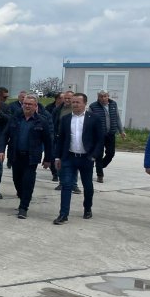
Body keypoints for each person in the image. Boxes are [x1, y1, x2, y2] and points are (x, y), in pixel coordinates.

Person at [0, 94, 53, 219]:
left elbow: (48, 142)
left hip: (31, 158)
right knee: (17, 181)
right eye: (25, 104)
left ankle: (23, 207)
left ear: (35, 106)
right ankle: (23, 197)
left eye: (30, 104)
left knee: (28, 182)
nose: (27, 106)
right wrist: (1, 150)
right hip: (16, 156)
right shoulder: (15, 118)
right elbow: (5, 135)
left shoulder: (42, 121)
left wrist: (48, 159)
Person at [53, 93, 104, 225]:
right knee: (66, 185)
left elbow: (100, 140)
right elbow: (61, 139)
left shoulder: (94, 118)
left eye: (78, 102)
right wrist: (57, 157)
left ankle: (87, 208)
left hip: (86, 158)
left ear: (85, 104)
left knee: (87, 186)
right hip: (69, 157)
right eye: (73, 102)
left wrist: (93, 156)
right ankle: (63, 214)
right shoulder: (66, 119)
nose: (74, 104)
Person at [89, 90, 126, 183]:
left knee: (111, 153)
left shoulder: (113, 104)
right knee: (99, 154)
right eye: (101, 96)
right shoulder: (93, 106)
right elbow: (89, 121)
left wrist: (121, 131)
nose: (103, 98)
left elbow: (117, 118)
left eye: (105, 96)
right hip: (98, 135)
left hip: (111, 133)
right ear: (98, 97)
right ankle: (100, 175)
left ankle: (100, 165)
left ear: (108, 96)